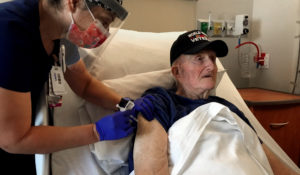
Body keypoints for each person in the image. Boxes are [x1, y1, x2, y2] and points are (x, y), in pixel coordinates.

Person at [0, 0, 154, 174]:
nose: (104, 32)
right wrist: (96, 132)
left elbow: (84, 84)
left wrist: (124, 104)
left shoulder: (61, 31)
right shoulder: (11, 33)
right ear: (73, 3)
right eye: (102, 21)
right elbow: (12, 139)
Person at [131, 30, 298, 175]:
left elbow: (266, 158)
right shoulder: (159, 101)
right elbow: (149, 170)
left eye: (212, 58)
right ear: (177, 71)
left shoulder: (226, 107)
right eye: (199, 59)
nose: (211, 66)